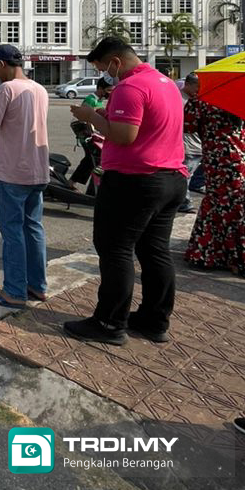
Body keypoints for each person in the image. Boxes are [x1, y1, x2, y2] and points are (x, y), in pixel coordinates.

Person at [66, 37, 187, 345]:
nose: (105, 75)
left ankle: (109, 323)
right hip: (170, 177)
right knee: (154, 250)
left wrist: (91, 117)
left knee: (115, 249)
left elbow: (123, 136)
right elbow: (146, 125)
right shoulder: (165, 83)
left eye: (103, 68)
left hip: (135, 181)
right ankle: (154, 320)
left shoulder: (130, 87)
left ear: (116, 62)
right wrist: (107, 115)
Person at [0, 45, 50, 310]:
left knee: (12, 232)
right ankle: (37, 285)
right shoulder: (40, 89)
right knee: (33, 228)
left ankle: (14, 291)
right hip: (37, 169)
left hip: (12, 170)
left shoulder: (7, 89)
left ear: (1, 64)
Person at [183, 81, 245, 277]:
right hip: (238, 157)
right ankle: (234, 256)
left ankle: (212, 254)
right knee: (233, 204)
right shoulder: (238, 97)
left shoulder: (202, 101)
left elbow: (187, 126)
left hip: (217, 160)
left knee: (218, 203)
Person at [177, 74, 203, 214]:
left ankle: (185, 198)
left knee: (189, 175)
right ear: (187, 84)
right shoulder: (179, 99)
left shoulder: (196, 99)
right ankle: (184, 203)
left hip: (198, 144)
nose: (197, 90)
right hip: (188, 145)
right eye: (196, 87)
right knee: (185, 176)